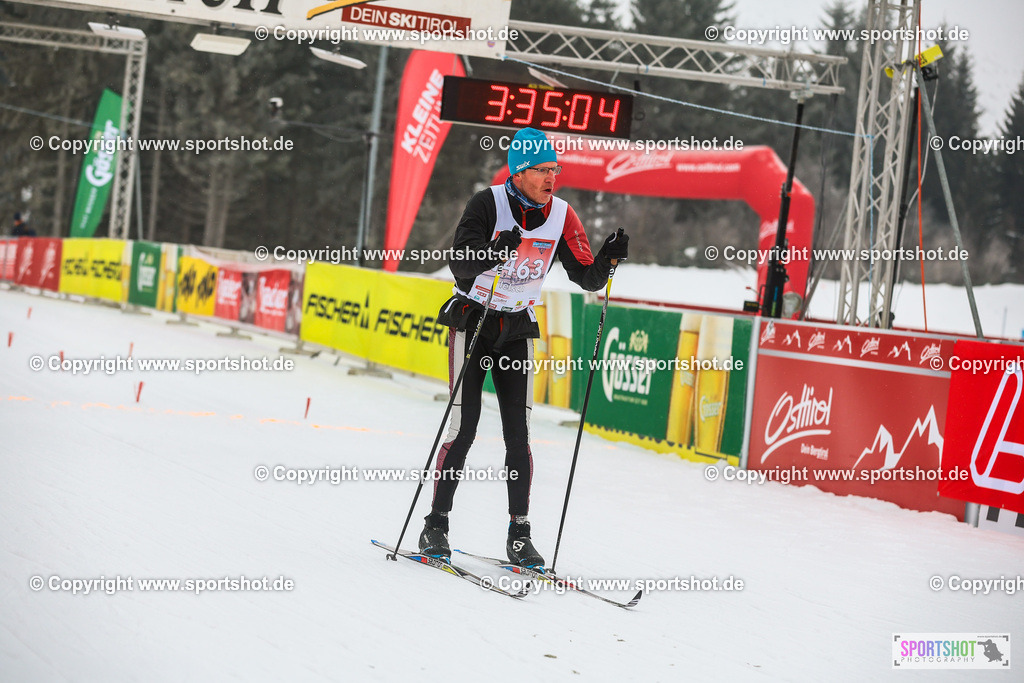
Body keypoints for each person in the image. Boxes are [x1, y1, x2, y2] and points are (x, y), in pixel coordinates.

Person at [418, 127, 629, 569]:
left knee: (520, 435)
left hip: (515, 326)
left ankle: (520, 534)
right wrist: (494, 252)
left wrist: (608, 258)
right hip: (474, 319)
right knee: (465, 428)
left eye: (556, 169)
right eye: (543, 170)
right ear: (519, 171)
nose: (552, 177)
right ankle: (436, 524)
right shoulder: (486, 203)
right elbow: (459, 266)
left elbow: (586, 277)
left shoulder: (564, 215)